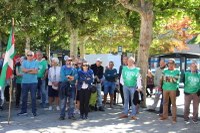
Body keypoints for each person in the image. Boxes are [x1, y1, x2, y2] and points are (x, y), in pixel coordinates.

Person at [17, 50, 38, 117]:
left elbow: (35, 72)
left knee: (33, 97)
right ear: (26, 56)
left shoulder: (36, 62)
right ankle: (23, 111)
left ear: (33, 56)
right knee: (24, 97)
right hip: (25, 82)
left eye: (31, 55)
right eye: (28, 55)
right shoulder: (24, 62)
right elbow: (23, 70)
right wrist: (31, 70)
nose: (29, 56)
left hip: (33, 82)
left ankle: (34, 111)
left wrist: (26, 71)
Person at [159, 58, 180, 124]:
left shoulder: (177, 71)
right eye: (169, 63)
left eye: (171, 63)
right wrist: (161, 85)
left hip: (173, 89)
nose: (170, 65)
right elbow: (161, 79)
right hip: (165, 89)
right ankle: (165, 116)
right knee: (165, 103)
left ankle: (174, 118)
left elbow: (175, 80)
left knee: (173, 104)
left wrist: (166, 78)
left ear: (174, 64)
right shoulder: (164, 70)